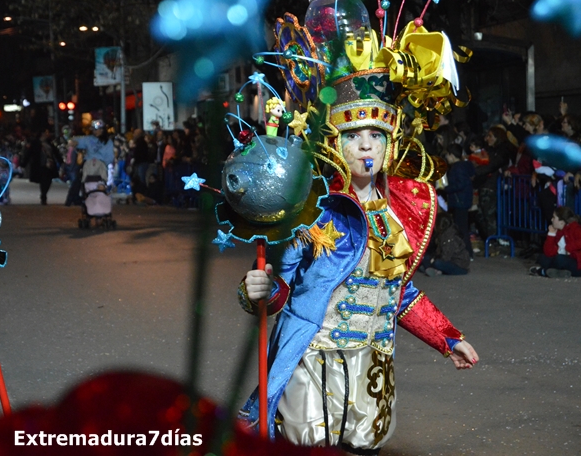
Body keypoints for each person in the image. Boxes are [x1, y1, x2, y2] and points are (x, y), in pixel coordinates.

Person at [238, 67, 479, 454]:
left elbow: (399, 293)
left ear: (391, 143)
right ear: (334, 143)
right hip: (314, 360)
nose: (367, 146)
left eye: (376, 135)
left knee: (366, 447)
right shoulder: (312, 209)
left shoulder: (397, 215)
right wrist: (259, 289)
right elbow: (280, 288)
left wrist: (448, 339)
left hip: (373, 365)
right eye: (354, 135)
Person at [441, 144, 475, 259]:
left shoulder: (458, 167)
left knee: (461, 229)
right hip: (462, 201)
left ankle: (467, 253)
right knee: (461, 228)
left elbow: (461, 184)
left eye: (448, 155)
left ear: (451, 155)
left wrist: (446, 189)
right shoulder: (463, 166)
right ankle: (465, 252)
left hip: (459, 200)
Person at [529, 206, 581, 277]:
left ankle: (542, 271)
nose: (552, 220)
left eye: (554, 217)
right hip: (564, 259)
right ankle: (561, 272)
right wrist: (551, 234)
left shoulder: (575, 228)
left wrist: (568, 248)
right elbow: (549, 253)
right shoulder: (558, 232)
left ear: (562, 222)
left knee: (559, 259)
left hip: (578, 263)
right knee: (543, 258)